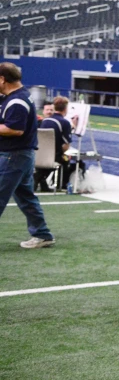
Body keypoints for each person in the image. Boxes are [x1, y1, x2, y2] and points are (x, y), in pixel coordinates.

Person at [0, 62, 56, 249]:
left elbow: (14, 129)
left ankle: (42, 234)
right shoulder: (18, 96)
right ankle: (42, 234)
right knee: (26, 197)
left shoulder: (16, 101)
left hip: (13, 155)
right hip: (21, 155)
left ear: (2, 79)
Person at [35, 96, 74, 192]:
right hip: (54, 156)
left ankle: (41, 180)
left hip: (39, 154)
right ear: (65, 108)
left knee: (44, 166)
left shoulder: (44, 121)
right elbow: (66, 145)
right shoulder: (64, 123)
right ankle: (62, 184)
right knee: (66, 158)